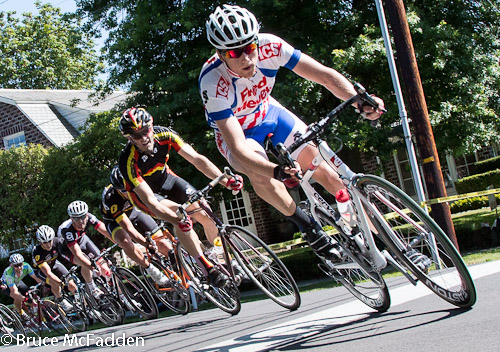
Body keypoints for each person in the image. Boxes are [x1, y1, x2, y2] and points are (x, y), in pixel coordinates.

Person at [199, 4, 385, 261]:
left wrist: (359, 100)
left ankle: (387, 244)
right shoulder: (212, 82)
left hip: (269, 113)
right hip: (239, 131)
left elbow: (325, 76)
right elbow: (239, 149)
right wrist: (277, 171)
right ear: (220, 54)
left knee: (327, 173)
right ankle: (307, 225)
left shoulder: (270, 46)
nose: (246, 58)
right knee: (260, 171)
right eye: (234, 52)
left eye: (249, 47)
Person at [117, 107, 243, 287]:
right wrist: (175, 221)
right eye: (137, 136)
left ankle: (222, 257)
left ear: (151, 126)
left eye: (145, 131)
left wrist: (226, 180)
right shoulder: (127, 161)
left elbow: (197, 159)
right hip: (148, 196)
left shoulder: (165, 134)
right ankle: (207, 268)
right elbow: (151, 202)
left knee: (204, 212)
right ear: (129, 138)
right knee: (181, 217)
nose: (144, 138)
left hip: (167, 179)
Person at [101, 165, 174, 285]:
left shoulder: (138, 183)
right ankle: (150, 268)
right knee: (125, 242)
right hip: (114, 219)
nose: (128, 192)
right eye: (124, 191)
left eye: (129, 187)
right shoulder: (111, 198)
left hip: (135, 210)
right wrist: (146, 244)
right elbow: (129, 230)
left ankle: (181, 269)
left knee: (163, 243)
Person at [57, 200, 113, 297]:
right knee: (84, 261)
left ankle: (122, 296)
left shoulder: (90, 218)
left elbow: (105, 231)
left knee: (105, 268)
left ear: (87, 215)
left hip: (82, 240)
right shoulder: (66, 230)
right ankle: (92, 288)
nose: (81, 221)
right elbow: (78, 254)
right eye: (76, 218)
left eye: (83, 217)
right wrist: (92, 267)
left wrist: (120, 242)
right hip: (67, 249)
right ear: (71, 218)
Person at [31, 225, 76, 312]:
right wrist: (61, 284)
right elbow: (48, 273)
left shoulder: (57, 241)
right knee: (54, 283)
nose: (48, 245)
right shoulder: (37, 251)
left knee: (71, 283)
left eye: (49, 241)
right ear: (40, 242)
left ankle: (85, 306)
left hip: (54, 264)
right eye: (45, 242)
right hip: (41, 271)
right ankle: (61, 300)